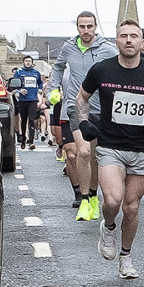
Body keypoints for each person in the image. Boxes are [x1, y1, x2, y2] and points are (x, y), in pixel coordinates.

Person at [73, 20, 144, 279]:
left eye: (134, 36)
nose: (129, 40)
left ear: (142, 42)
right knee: (114, 200)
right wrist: (83, 121)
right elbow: (81, 97)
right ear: (116, 40)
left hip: (141, 148)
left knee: (131, 208)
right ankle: (108, 227)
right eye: (123, 36)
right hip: (110, 146)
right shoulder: (102, 70)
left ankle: (126, 257)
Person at [55, 11, 116, 219]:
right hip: (76, 106)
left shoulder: (107, 49)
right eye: (82, 27)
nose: (86, 31)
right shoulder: (69, 47)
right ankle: (84, 199)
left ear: (96, 26)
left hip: (101, 107)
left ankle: (93, 196)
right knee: (83, 152)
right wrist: (53, 89)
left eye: (90, 26)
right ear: (77, 27)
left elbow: (121, 68)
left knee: (95, 156)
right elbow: (57, 68)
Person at [8, 59, 43, 150]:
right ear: (23, 62)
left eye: (30, 61)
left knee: (31, 120)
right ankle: (23, 138)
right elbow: (13, 86)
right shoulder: (19, 72)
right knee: (23, 120)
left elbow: (40, 83)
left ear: (32, 63)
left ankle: (31, 142)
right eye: (26, 61)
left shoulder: (36, 73)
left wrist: (40, 89)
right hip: (23, 100)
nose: (28, 63)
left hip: (33, 100)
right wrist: (19, 91)